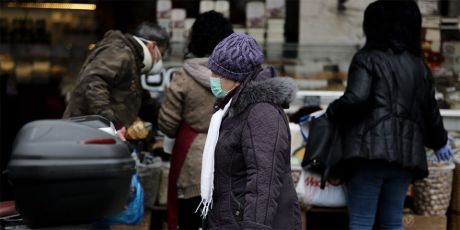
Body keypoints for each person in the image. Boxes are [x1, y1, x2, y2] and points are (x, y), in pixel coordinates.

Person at [325, 1, 453, 229]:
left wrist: (332, 111)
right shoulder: (418, 66)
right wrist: (440, 142)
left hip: (368, 154)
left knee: (362, 222)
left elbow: (356, 99)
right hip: (405, 158)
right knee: (392, 222)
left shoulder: (367, 59)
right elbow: (430, 111)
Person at [197, 32, 301, 230]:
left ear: (238, 79)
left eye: (219, 75)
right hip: (231, 220)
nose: (213, 79)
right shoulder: (232, 108)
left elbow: (264, 180)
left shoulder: (262, 112)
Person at [157, 11, 233, 230]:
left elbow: (167, 125)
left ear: (195, 38)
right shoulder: (237, 78)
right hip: (229, 162)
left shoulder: (184, 75)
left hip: (191, 166)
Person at [63, 22, 169, 138]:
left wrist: (168, 118)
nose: (159, 60)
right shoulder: (120, 51)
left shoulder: (132, 60)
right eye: (161, 54)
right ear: (152, 47)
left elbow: (138, 98)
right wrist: (111, 124)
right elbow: (93, 82)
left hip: (95, 135)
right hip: (84, 135)